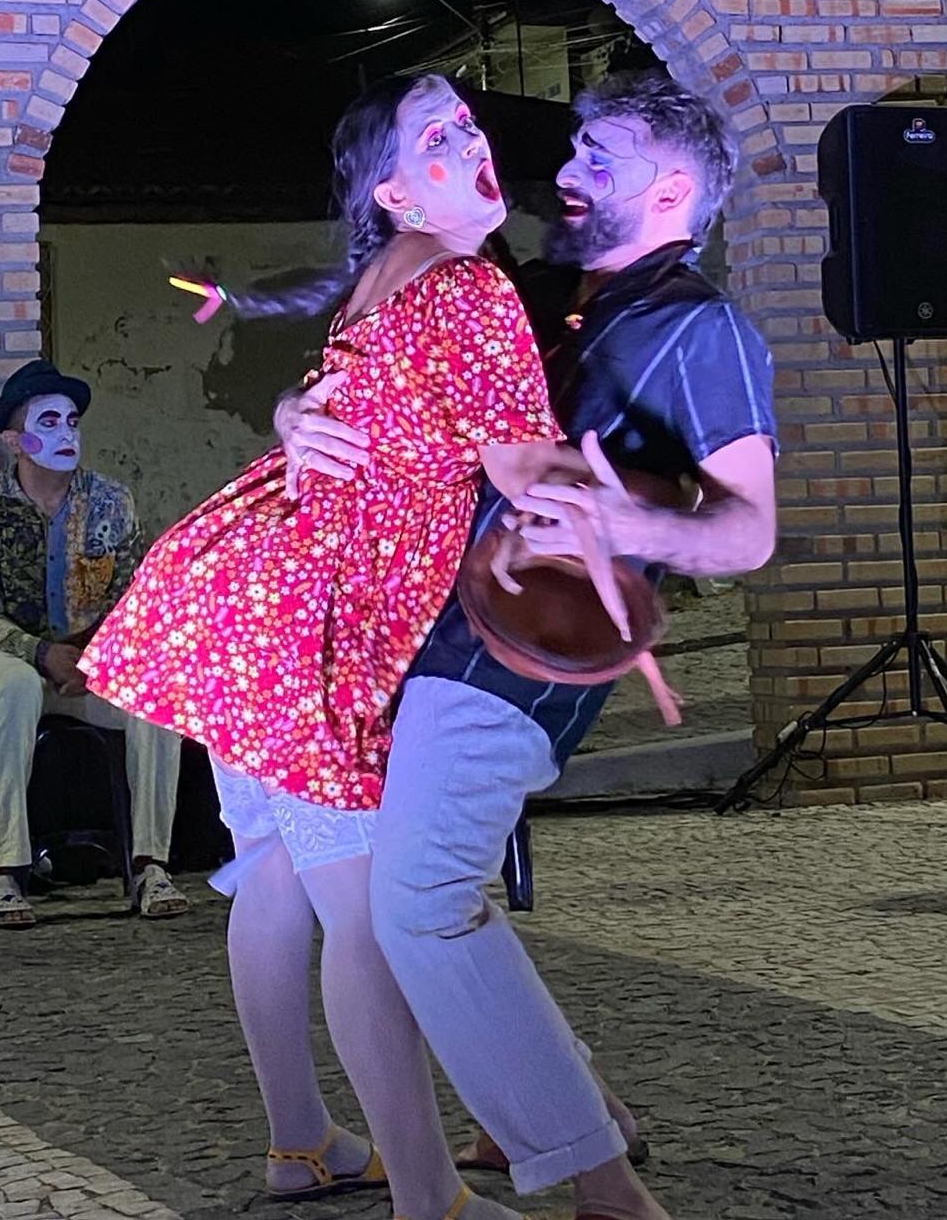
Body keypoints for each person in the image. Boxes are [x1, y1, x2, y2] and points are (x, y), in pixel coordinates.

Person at [80, 73, 602, 1220]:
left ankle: (301, 1140)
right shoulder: (466, 281)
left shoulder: (386, 280)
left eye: (464, 121)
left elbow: (343, 412)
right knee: (364, 912)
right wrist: (648, 501)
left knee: (275, 873)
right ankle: (428, 1196)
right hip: (311, 628)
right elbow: (524, 470)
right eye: (434, 134)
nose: (467, 136)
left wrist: (288, 413)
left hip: (245, 599)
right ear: (392, 190)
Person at [278, 71, 778, 1220]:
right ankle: (575, 1108)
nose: (564, 170)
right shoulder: (527, 286)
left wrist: (626, 519)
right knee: (425, 896)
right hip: (419, 627)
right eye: (572, 149)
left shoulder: (698, 327)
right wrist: (295, 415)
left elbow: (747, 529)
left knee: (419, 899)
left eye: (599, 156)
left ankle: (606, 1191)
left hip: (519, 651)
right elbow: (381, 380)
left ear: (671, 190)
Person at [0, 359, 188, 928]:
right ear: (15, 440)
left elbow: (134, 599)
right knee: (11, 687)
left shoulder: (111, 502)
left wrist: (96, 657)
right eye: (48, 421)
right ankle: (0, 877)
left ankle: (151, 867)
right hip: (4, 659)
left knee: (157, 693)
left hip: (89, 664)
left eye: (72, 421)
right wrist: (42, 654)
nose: (65, 433)